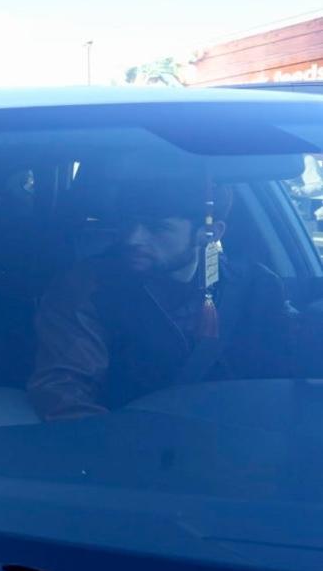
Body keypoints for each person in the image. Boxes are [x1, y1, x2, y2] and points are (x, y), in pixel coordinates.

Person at [28, 180, 297, 421]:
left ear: (210, 233)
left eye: (157, 227)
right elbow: (64, 392)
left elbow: (288, 376)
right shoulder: (88, 287)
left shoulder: (257, 287)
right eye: (128, 223)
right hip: (132, 453)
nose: (133, 238)